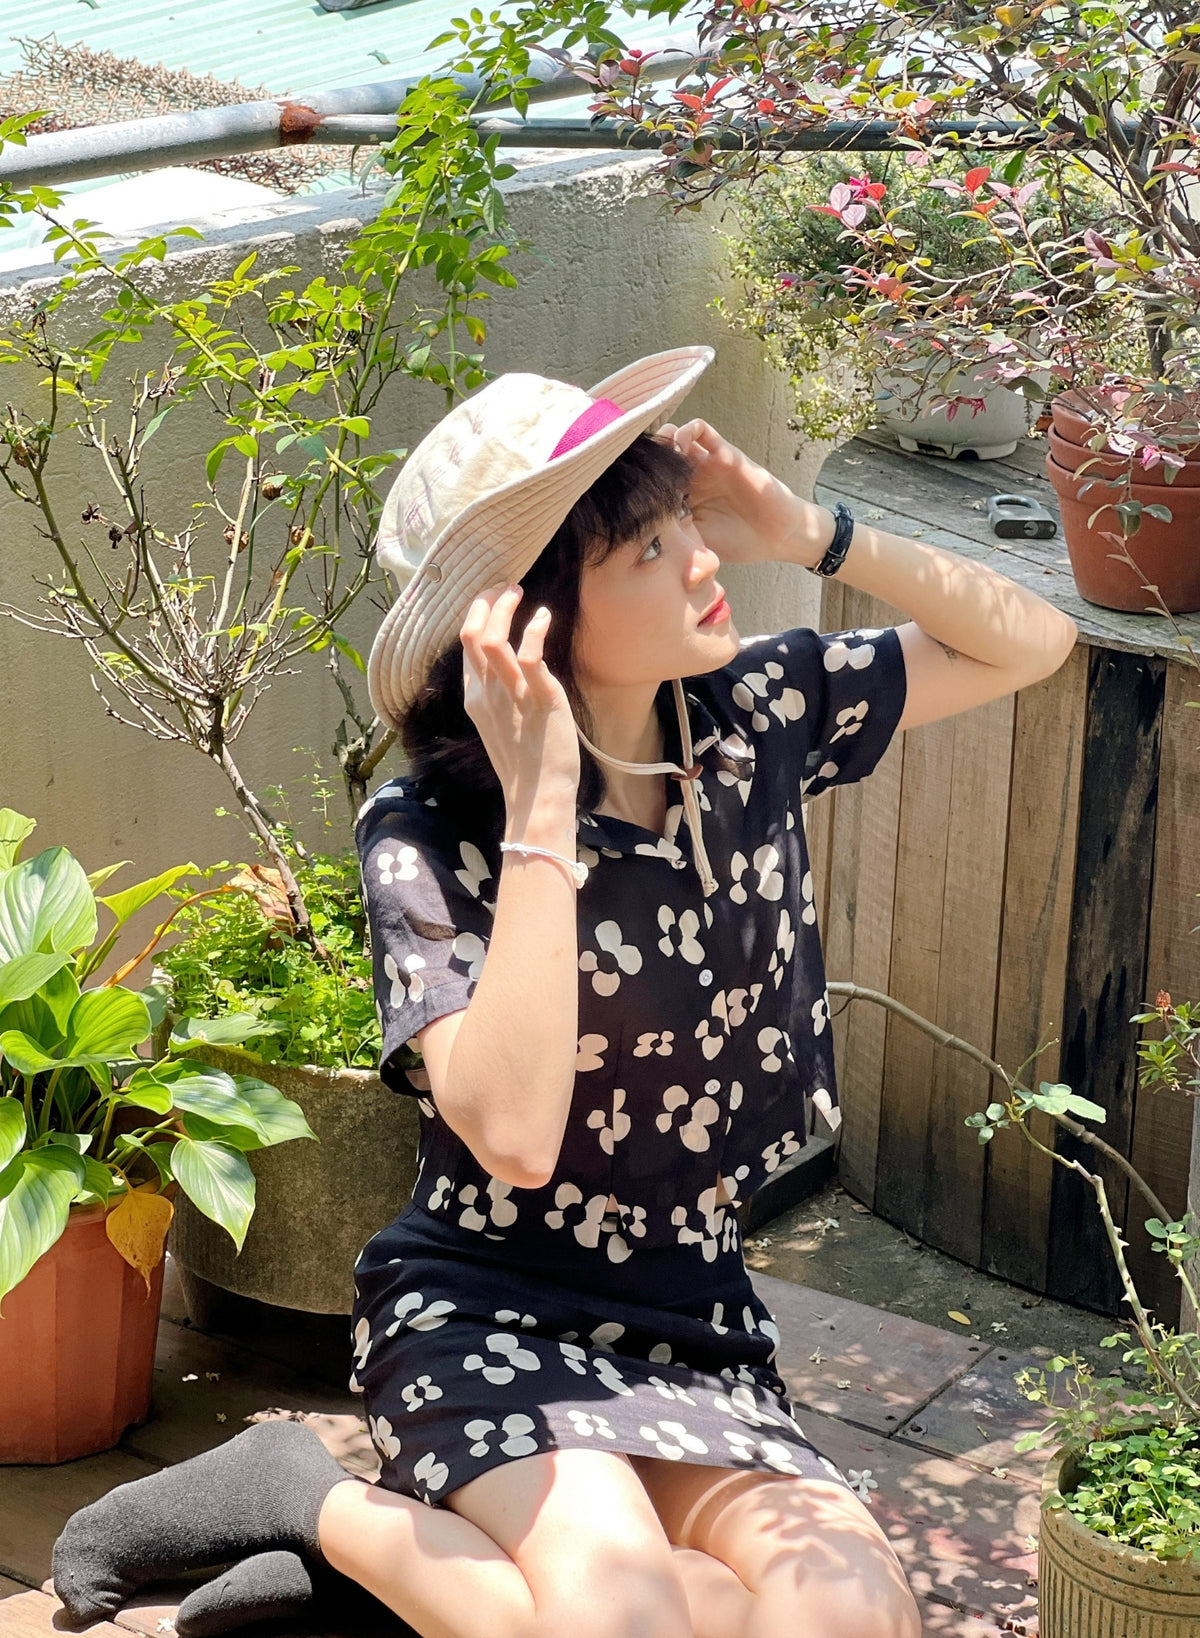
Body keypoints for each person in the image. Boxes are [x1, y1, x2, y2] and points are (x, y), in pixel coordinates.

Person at [53, 346, 1076, 1638]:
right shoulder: (430, 829)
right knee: (621, 1619)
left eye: (683, 526)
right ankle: (321, 1500)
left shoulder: (748, 718)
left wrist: (809, 527)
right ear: (532, 618)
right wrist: (543, 797)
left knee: (854, 1613)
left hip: (690, 1309)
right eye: (646, 550)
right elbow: (518, 1136)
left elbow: (1034, 641)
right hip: (487, 1303)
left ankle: (375, 1573)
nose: (703, 560)